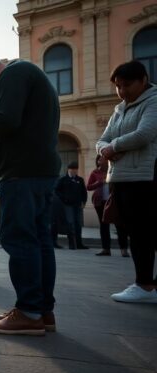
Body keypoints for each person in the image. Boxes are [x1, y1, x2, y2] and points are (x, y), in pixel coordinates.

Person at [0, 57, 62, 335]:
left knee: (20, 239)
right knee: (39, 241)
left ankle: (28, 311)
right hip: (37, 171)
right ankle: (42, 311)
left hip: (22, 176)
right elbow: (22, 130)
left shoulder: (13, 73)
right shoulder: (26, 75)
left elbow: (7, 119)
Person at [96, 60, 157, 304]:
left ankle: (145, 285)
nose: (122, 91)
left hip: (146, 177)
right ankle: (145, 282)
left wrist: (113, 147)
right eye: (118, 86)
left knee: (145, 233)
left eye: (127, 85)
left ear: (143, 79)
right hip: (121, 178)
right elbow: (102, 139)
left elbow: (145, 133)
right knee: (136, 232)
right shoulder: (119, 109)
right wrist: (107, 149)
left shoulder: (153, 100)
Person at [86, 154, 129, 257]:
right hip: (100, 202)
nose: (102, 161)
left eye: (104, 159)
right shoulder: (95, 172)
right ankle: (106, 249)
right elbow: (88, 187)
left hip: (114, 201)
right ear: (98, 162)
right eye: (100, 160)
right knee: (104, 226)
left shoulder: (114, 170)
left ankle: (124, 249)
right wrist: (99, 182)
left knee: (119, 224)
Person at [55, 162, 88, 250]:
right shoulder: (63, 180)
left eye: (75, 169)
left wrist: (84, 201)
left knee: (78, 224)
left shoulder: (80, 180)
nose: (74, 171)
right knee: (70, 223)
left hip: (77, 205)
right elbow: (57, 190)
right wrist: (64, 199)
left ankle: (79, 243)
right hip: (68, 205)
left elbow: (84, 192)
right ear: (68, 169)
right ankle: (72, 244)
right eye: (72, 169)